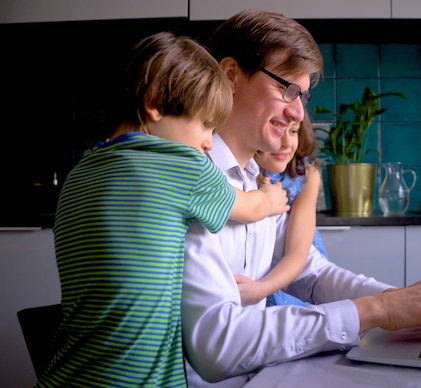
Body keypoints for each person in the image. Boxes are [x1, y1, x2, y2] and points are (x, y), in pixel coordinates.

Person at [182, 8, 421, 386]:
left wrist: (401, 299)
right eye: (287, 88)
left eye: (301, 95)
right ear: (232, 76)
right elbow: (217, 345)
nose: (299, 111)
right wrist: (377, 309)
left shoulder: (258, 184)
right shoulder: (190, 182)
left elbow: (309, 272)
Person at [38, 31, 288, 387]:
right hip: (137, 380)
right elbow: (248, 206)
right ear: (155, 103)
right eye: (204, 124)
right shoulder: (177, 162)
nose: (207, 142)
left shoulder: (79, 173)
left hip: (67, 373)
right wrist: (271, 199)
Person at [239, 111, 328, 307]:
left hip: (294, 272)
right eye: (278, 130)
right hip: (255, 277)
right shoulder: (243, 172)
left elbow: (297, 254)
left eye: (294, 131)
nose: (287, 143)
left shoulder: (307, 173)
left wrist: (262, 288)